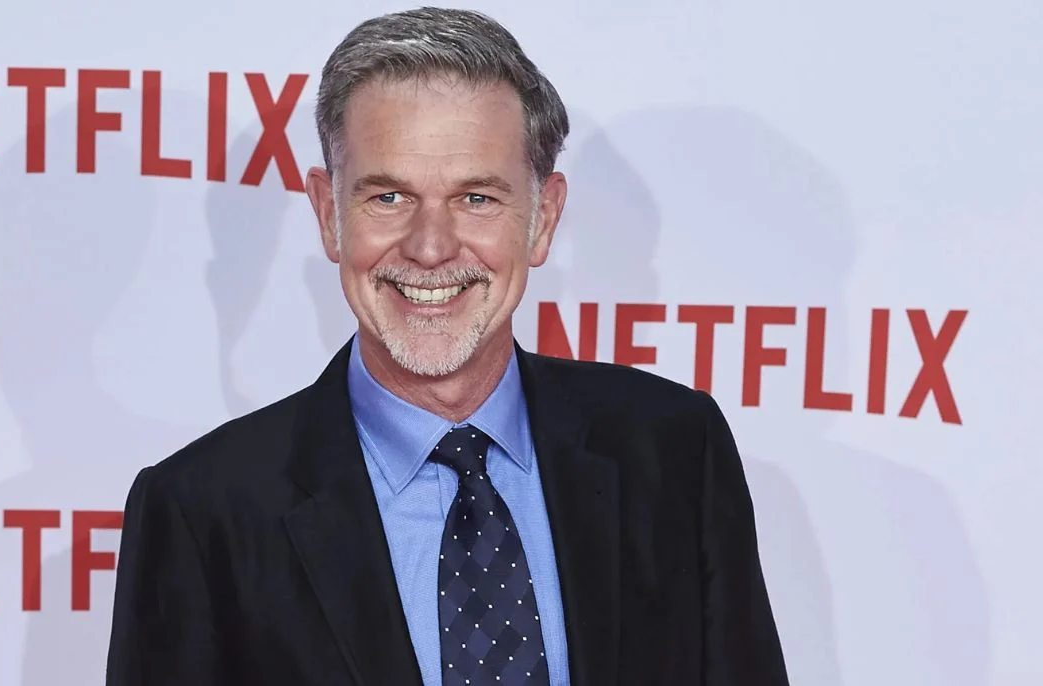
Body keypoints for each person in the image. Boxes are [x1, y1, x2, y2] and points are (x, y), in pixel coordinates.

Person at [104, 7, 789, 686]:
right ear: (328, 215)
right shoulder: (201, 512)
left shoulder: (675, 452)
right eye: (389, 198)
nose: (430, 248)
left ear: (543, 219)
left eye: (476, 199)